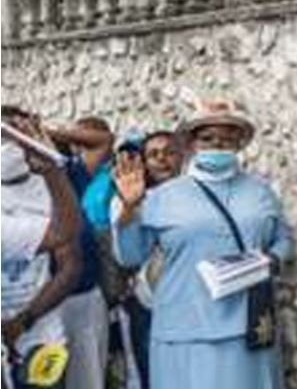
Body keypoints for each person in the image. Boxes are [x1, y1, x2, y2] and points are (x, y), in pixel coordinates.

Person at [112, 99, 293, 389]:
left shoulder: (260, 191)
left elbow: (283, 238)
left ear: (239, 143)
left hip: (250, 327)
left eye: (227, 137)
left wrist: (274, 259)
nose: (217, 143)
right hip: (185, 332)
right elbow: (130, 256)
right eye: (207, 137)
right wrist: (129, 210)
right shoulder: (163, 197)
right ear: (191, 144)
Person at [1, 107, 83, 388]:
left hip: (41, 337)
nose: (7, 148)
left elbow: (68, 254)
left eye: (15, 137)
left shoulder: (52, 190)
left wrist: (23, 321)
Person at [109, 131, 183, 389]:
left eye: (169, 152)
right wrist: (131, 207)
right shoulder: (130, 199)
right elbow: (129, 257)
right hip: (151, 309)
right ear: (144, 162)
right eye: (153, 154)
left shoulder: (197, 197)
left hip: (192, 309)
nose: (162, 159)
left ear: (183, 157)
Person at [46, 117, 115, 389]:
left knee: (87, 381)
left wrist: (43, 133)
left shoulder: (68, 172)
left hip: (82, 296)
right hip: (30, 303)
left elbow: (103, 141)